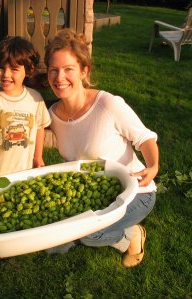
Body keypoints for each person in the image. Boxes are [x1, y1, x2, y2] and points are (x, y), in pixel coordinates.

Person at [44, 29, 159, 267]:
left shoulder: (107, 105)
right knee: (52, 231)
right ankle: (72, 233)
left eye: (68, 69)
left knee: (88, 234)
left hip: (134, 193)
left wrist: (153, 166)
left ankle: (131, 236)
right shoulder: (52, 115)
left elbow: (145, 138)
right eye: (53, 70)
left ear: (84, 71)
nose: (59, 77)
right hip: (89, 193)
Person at [0, 36, 51, 187]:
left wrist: (38, 157)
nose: (6, 74)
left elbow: (40, 128)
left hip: (24, 173)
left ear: (28, 70)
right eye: (1, 68)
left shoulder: (35, 99)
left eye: (14, 69)